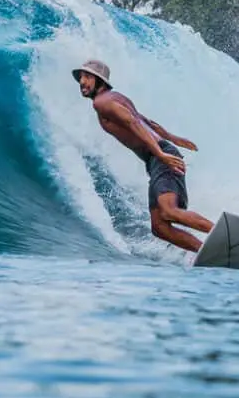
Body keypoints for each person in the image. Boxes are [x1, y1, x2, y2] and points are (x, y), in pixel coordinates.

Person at [73, 59, 214, 253]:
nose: (82, 81)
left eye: (87, 77)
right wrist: (173, 138)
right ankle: (207, 250)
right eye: (81, 77)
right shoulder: (116, 98)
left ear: (101, 81)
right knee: (159, 227)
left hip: (159, 156)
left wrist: (161, 153)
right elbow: (147, 121)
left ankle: (220, 233)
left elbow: (133, 123)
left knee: (168, 211)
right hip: (158, 156)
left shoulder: (101, 103)